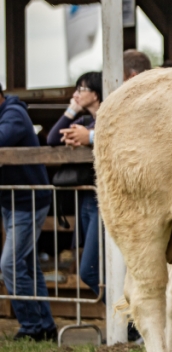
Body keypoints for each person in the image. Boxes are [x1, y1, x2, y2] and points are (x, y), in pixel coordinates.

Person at [0, 83, 56, 342]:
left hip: (27, 199)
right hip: (13, 200)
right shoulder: (10, 112)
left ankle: (31, 325)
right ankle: (44, 324)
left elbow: (3, 138)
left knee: (10, 264)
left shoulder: (14, 114)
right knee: (28, 265)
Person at [47, 72, 103, 300]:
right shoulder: (84, 121)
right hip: (88, 200)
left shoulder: (107, 119)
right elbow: (52, 139)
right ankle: (130, 323)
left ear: (96, 93)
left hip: (105, 200)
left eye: (81, 89)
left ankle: (132, 323)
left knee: (90, 270)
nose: (76, 94)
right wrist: (72, 111)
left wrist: (89, 137)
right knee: (94, 269)